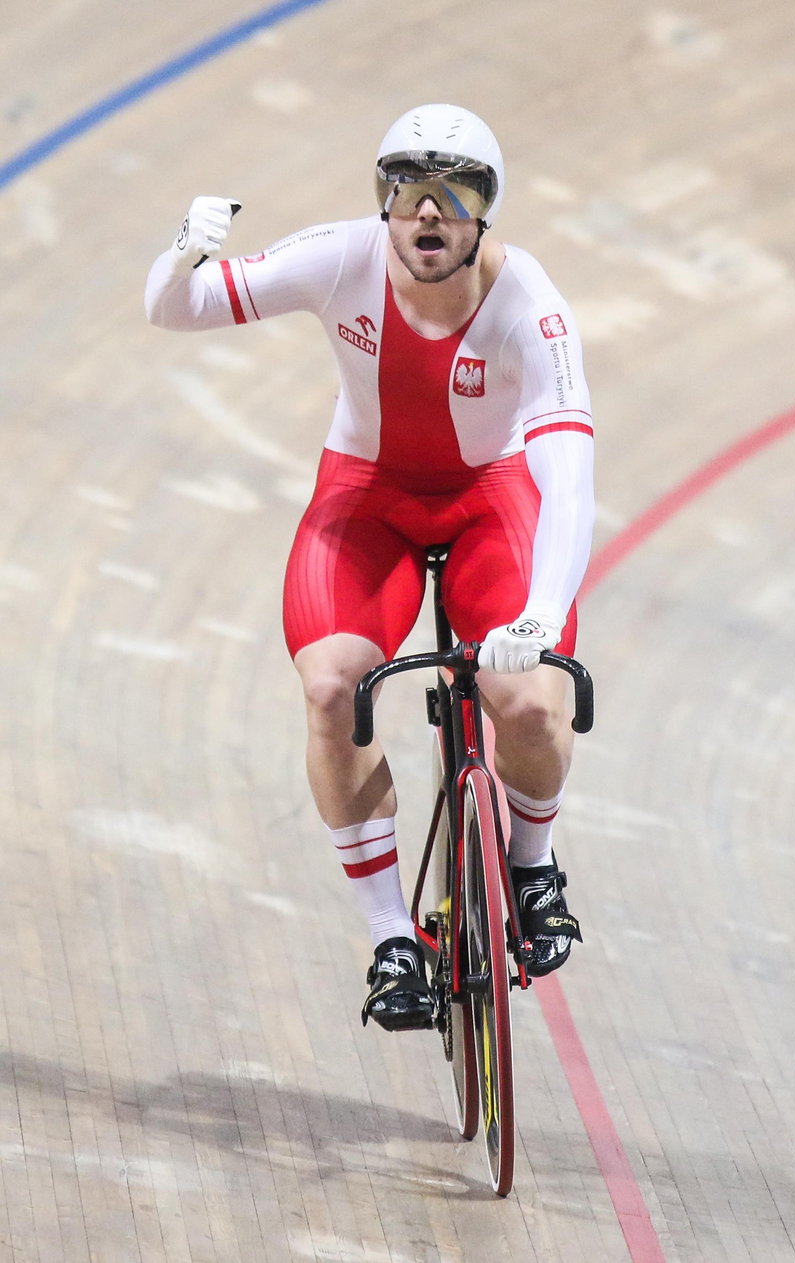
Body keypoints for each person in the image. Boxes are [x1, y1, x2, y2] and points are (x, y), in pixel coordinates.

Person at [145, 104, 595, 1033]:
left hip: (490, 501)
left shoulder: (533, 307)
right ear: (384, 204)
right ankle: (394, 937)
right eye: (407, 190)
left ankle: (533, 863)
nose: (428, 212)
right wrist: (180, 252)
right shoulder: (342, 258)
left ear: (485, 212)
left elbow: (569, 477)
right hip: (370, 499)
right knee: (330, 689)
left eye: (455, 192)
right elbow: (177, 309)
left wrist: (541, 616)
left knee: (533, 702)